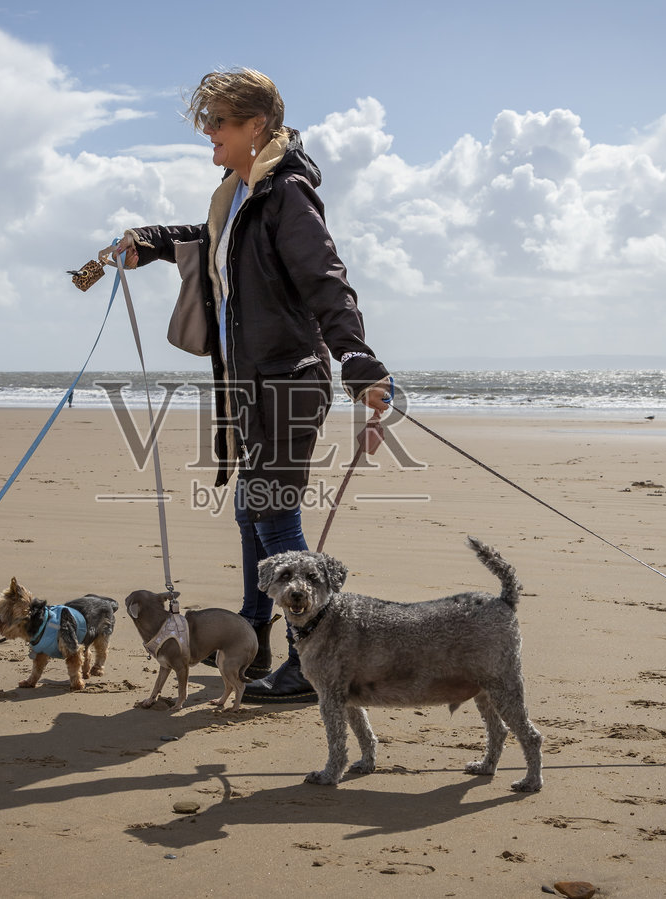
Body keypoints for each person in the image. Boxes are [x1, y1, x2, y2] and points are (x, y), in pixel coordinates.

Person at [107, 68, 391, 703]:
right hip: (250, 385)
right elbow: (209, 245)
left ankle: (309, 660)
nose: (208, 132)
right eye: (206, 121)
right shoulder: (238, 195)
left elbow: (326, 278)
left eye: (219, 122)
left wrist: (361, 363)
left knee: (273, 510)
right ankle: (254, 638)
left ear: (256, 125)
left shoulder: (286, 192)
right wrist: (148, 243)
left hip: (288, 380)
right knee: (249, 508)